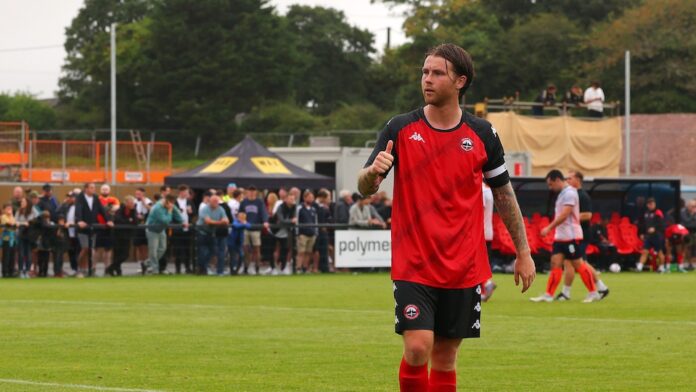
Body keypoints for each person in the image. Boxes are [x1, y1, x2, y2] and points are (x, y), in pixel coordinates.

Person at [357, 43, 535, 392]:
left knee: (445, 356)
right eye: (425, 72)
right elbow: (365, 186)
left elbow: (503, 193)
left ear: (460, 82)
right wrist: (372, 173)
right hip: (414, 261)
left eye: (437, 73)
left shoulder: (483, 134)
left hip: (463, 264)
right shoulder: (400, 128)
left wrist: (523, 251)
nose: (427, 79)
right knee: (418, 346)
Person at [531, 170, 600, 303]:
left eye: (551, 184)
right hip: (561, 236)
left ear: (557, 180)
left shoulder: (570, 193)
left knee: (578, 264)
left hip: (571, 236)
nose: (550, 188)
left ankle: (594, 292)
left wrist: (549, 228)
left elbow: (565, 214)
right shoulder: (563, 193)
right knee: (555, 263)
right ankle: (549, 294)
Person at [556, 170, 610, 301]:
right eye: (566, 178)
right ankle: (599, 288)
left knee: (578, 263)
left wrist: (570, 217)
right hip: (572, 234)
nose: (567, 180)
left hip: (580, 235)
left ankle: (595, 289)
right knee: (572, 263)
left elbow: (588, 215)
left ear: (578, 180)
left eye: (570, 178)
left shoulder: (582, 196)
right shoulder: (570, 194)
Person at [75, 182, 113, 278]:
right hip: (83, 227)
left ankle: (88, 270)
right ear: (86, 189)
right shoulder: (80, 198)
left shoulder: (96, 198)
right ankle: (79, 269)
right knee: (85, 248)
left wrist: (108, 220)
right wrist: (79, 221)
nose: (93, 189)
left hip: (93, 227)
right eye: (91, 188)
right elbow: (78, 209)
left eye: (94, 187)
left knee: (91, 249)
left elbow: (102, 210)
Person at [145, 194, 185, 274]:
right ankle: (154, 270)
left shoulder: (170, 205)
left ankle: (146, 263)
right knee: (153, 251)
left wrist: (182, 221)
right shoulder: (157, 208)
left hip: (161, 230)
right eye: (171, 204)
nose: (172, 206)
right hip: (152, 229)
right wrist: (170, 211)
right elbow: (165, 221)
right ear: (166, 201)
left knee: (163, 249)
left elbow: (179, 218)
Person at [239, 186, 269, 275]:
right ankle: (246, 267)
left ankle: (257, 267)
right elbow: (240, 213)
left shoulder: (259, 202)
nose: (251, 193)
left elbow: (264, 212)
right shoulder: (244, 202)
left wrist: (265, 221)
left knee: (257, 249)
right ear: (247, 192)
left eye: (253, 191)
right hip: (246, 228)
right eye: (250, 191)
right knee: (245, 248)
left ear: (255, 192)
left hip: (256, 228)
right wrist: (241, 220)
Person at [196, 195, 229, 276]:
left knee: (213, 251)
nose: (216, 203)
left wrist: (222, 221)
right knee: (202, 252)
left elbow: (226, 220)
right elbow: (208, 221)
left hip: (212, 233)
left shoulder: (220, 209)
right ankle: (202, 269)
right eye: (214, 201)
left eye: (217, 201)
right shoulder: (205, 209)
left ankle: (204, 268)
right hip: (202, 232)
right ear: (209, 201)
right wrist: (220, 222)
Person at [109, 195, 138, 276]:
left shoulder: (133, 210)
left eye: (133, 202)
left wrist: (129, 220)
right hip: (117, 235)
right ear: (126, 203)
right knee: (117, 253)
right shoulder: (119, 210)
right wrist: (129, 220)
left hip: (127, 236)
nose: (132, 204)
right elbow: (118, 219)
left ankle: (110, 267)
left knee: (125, 255)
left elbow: (135, 221)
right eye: (131, 202)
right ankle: (117, 270)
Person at [636, 197, 667, 272]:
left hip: (657, 236)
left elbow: (662, 224)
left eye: (653, 204)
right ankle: (639, 267)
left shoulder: (658, 212)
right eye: (650, 204)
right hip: (648, 236)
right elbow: (643, 224)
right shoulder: (646, 213)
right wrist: (642, 233)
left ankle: (661, 267)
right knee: (645, 251)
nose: (651, 205)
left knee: (659, 252)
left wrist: (655, 229)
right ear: (647, 205)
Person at [15, 197, 38, 279]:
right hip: (20, 233)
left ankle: (27, 270)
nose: (22, 203)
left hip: (29, 234)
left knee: (28, 253)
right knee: (20, 253)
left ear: (27, 202)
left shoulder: (32, 210)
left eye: (23, 201)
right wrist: (23, 223)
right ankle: (21, 270)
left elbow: (37, 219)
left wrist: (29, 222)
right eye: (21, 202)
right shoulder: (19, 211)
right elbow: (16, 221)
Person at [480, 182, 496, 301]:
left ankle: (486, 284)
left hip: (480, 232)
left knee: (476, 262)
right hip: (488, 231)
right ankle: (485, 286)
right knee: (482, 262)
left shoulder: (480, 189)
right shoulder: (488, 189)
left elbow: (479, 210)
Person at [273, 193, 296, 275]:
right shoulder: (280, 207)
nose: (292, 201)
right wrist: (291, 221)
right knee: (277, 249)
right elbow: (281, 220)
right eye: (290, 199)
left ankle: (285, 267)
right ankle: (275, 267)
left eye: (293, 199)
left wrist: (291, 222)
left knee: (288, 249)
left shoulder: (294, 207)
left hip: (288, 231)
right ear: (286, 199)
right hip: (276, 231)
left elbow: (295, 219)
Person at [173, 185, 194, 274]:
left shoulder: (189, 202)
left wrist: (191, 212)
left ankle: (187, 267)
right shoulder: (174, 202)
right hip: (178, 229)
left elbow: (194, 213)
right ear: (180, 192)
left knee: (187, 249)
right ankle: (177, 268)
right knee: (177, 249)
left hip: (187, 229)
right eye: (185, 192)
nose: (187, 193)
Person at [296, 190, 318, 274]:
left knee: (308, 252)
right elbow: (297, 220)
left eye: (312, 197)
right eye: (309, 197)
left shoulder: (313, 209)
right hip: (302, 233)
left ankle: (305, 268)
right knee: (301, 252)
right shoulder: (300, 208)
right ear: (304, 198)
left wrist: (316, 232)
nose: (311, 199)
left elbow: (315, 221)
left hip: (312, 233)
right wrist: (297, 232)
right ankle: (298, 268)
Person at [134, 187, 152, 272]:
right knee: (138, 246)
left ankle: (147, 264)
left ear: (143, 194)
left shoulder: (148, 201)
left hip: (146, 226)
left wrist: (144, 202)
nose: (138, 196)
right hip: (137, 226)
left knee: (145, 246)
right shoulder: (134, 201)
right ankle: (140, 264)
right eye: (136, 194)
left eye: (139, 194)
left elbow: (151, 210)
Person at [314, 189, 333, 273]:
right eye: (328, 197)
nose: (329, 199)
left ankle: (324, 268)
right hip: (317, 231)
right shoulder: (315, 205)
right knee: (316, 250)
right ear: (323, 197)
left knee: (324, 249)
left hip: (323, 231)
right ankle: (316, 268)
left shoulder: (324, 207)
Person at [36, 210, 55, 277]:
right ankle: (42, 271)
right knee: (42, 257)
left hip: (46, 241)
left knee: (44, 257)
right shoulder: (42, 223)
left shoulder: (50, 223)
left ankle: (43, 271)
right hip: (43, 241)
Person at [1, 203, 16, 278]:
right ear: (4, 210)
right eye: (8, 208)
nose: (9, 210)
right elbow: (10, 224)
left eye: (10, 208)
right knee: (6, 255)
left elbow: (15, 225)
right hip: (6, 238)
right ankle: (5, 271)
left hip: (12, 238)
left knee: (12, 255)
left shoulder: (12, 216)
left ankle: (11, 271)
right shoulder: (3, 216)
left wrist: (13, 225)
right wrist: (13, 225)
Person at [681, 199, 696, 269]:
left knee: (693, 248)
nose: (694, 208)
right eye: (693, 206)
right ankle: (686, 263)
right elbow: (687, 222)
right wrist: (692, 214)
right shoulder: (683, 212)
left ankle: (692, 264)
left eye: (695, 206)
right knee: (687, 248)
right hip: (685, 232)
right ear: (688, 206)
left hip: (694, 232)